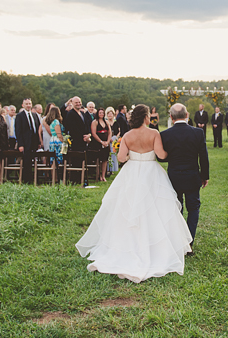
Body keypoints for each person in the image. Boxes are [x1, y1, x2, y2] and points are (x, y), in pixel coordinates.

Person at [76, 104, 193, 282]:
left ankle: (126, 245)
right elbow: (161, 155)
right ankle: (156, 247)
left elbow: (121, 158)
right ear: (145, 117)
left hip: (131, 173)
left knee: (128, 209)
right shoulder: (154, 133)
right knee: (154, 208)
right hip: (152, 172)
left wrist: (132, 155)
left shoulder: (128, 136)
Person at [159, 103, 209, 251]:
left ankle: (178, 241)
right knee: (193, 208)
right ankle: (189, 243)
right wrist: (204, 176)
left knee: (177, 208)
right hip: (193, 176)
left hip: (174, 176)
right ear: (187, 115)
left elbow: (161, 158)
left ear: (171, 117)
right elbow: (203, 157)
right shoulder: (198, 133)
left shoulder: (165, 134)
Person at [15, 97, 41, 183]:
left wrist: (38, 142)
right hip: (25, 142)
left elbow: (37, 129)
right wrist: (21, 144)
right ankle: (27, 180)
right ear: (23, 105)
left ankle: (35, 179)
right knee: (27, 162)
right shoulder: (19, 116)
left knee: (35, 161)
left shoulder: (35, 115)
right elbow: (18, 131)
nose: (28, 105)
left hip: (34, 141)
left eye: (29, 103)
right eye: (26, 104)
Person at [90, 107, 111, 182]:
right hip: (98, 143)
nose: (101, 114)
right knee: (98, 160)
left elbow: (109, 132)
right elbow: (94, 133)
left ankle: (103, 176)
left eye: (102, 113)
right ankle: (98, 175)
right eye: (100, 113)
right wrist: (101, 141)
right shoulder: (95, 122)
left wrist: (107, 141)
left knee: (105, 159)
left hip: (105, 143)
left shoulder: (106, 122)